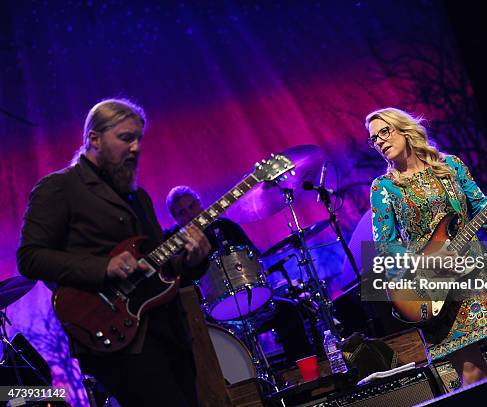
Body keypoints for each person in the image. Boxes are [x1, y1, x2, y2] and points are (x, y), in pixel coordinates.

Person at [17, 98, 211, 406]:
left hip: (169, 332)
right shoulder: (59, 187)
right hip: (117, 338)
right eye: (125, 138)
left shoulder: (139, 197)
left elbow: (158, 266)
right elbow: (30, 257)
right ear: (93, 139)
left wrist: (192, 261)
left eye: (138, 139)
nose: (136, 147)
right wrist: (102, 268)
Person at [366, 107, 487, 386]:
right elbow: (385, 245)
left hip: (478, 275)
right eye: (373, 139)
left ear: (404, 131)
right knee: (473, 376)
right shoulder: (382, 188)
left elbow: (481, 208)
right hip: (432, 289)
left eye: (384, 132)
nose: (379, 141)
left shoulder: (450, 166)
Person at [165, 186, 314, 365]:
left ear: (201, 204)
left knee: (288, 310)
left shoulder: (225, 226)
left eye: (192, 207)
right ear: (175, 218)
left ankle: (304, 375)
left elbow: (254, 259)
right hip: (210, 318)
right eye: (182, 212)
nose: (190, 214)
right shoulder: (171, 243)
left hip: (249, 299)